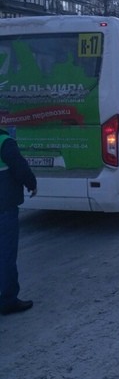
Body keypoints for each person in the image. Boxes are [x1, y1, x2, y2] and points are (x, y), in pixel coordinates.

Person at [0, 128, 37, 316]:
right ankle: (8, 300)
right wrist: (32, 184)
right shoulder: (5, 142)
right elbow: (21, 169)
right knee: (6, 254)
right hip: (4, 207)